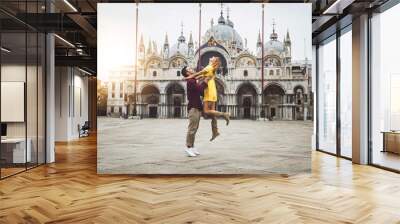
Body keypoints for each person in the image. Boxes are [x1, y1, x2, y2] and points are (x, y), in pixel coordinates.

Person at [184, 56, 230, 141]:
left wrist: (188, 77)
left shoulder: (209, 67)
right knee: (212, 113)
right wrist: (196, 78)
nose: (211, 57)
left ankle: (224, 115)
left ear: (213, 61)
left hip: (208, 90)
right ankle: (215, 131)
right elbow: (200, 76)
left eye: (213, 58)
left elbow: (199, 74)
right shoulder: (211, 68)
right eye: (212, 57)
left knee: (206, 111)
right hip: (213, 90)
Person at [181, 66, 210, 157]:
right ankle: (188, 147)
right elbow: (201, 89)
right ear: (187, 72)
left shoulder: (192, 80)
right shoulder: (190, 81)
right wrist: (205, 81)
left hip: (197, 107)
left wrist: (202, 77)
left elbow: (200, 93)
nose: (192, 68)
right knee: (192, 128)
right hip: (193, 108)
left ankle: (192, 147)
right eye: (189, 68)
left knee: (195, 128)